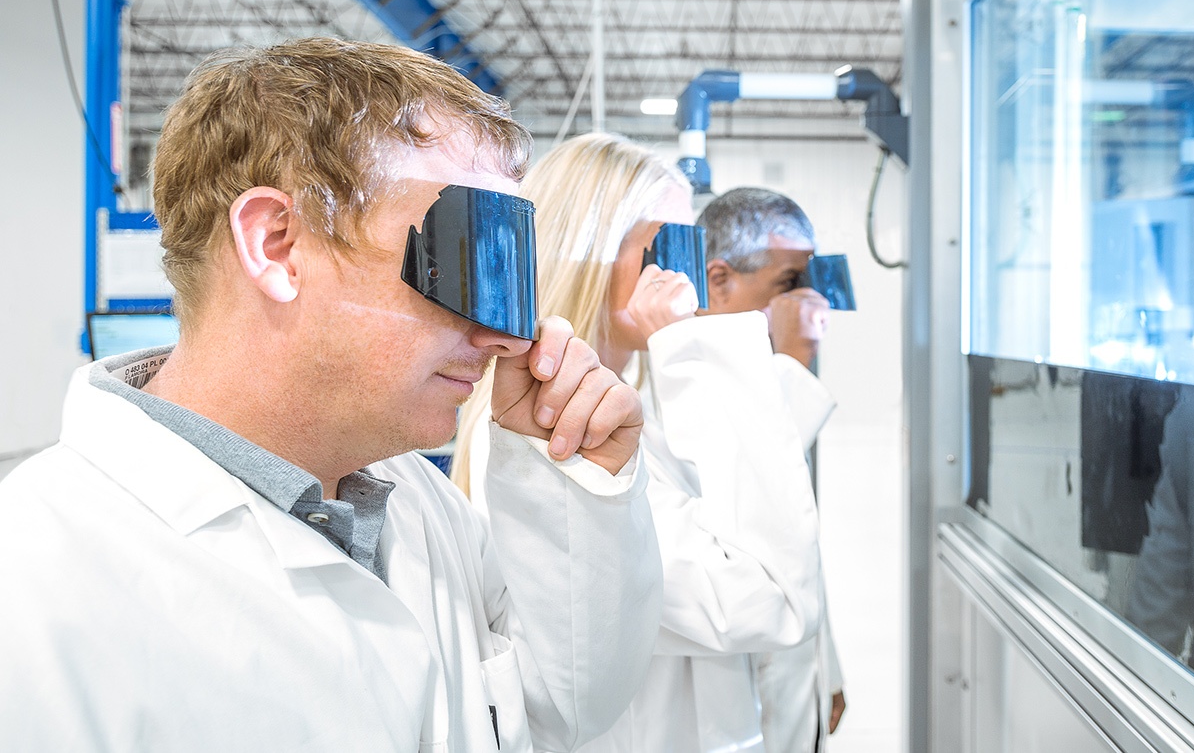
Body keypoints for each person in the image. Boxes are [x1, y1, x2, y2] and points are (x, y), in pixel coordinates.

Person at [0, 39, 662, 753]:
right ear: (277, 245)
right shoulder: (36, 586)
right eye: (464, 260)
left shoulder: (411, 497)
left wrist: (572, 487)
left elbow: (565, 708)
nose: (510, 337)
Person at [450, 138, 824, 753]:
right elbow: (767, 598)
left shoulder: (630, 398)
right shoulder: (550, 421)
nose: (684, 275)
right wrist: (703, 351)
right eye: (662, 248)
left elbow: (762, 512)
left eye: (688, 250)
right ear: (590, 253)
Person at [698, 188, 847, 751]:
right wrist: (791, 361)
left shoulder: (762, 376)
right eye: (788, 285)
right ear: (719, 280)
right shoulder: (678, 388)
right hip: (737, 696)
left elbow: (795, 538)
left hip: (792, 680)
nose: (806, 302)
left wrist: (825, 667)